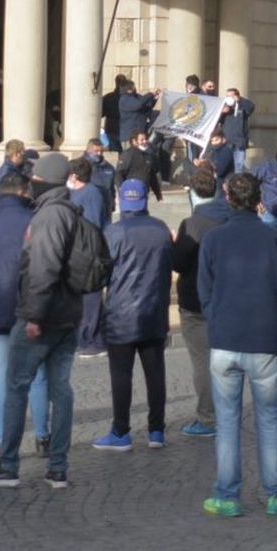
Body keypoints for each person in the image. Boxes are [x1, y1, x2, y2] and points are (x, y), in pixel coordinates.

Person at [0, 144, 90, 491]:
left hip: (45, 316)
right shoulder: (69, 210)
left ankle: (10, 464)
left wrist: (35, 315)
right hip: (68, 313)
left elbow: (44, 268)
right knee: (58, 388)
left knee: (16, 386)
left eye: (37, 176)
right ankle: (56, 466)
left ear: (48, 180)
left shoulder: (50, 216)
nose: (32, 180)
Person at [198, 172, 277, 517]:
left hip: (225, 338)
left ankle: (228, 495)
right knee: (269, 420)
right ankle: (276, 493)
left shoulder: (214, 239)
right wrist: (272, 321)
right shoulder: (273, 238)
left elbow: (204, 291)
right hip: (264, 338)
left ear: (228, 198)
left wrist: (217, 320)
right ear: (258, 200)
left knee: (227, 422)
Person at [0, 173, 50, 457]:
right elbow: (44, 265)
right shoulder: (35, 223)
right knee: (37, 374)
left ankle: (2, 438)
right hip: (30, 309)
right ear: (24, 192)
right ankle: (42, 436)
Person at [94, 180, 174, 451]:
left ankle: (121, 430)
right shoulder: (161, 230)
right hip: (154, 310)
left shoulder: (113, 232)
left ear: (121, 200)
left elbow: (101, 273)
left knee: (121, 375)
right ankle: (156, 430)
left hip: (122, 312)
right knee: (155, 374)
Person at [172, 174, 233, 438]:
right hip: (228, 298)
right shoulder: (232, 219)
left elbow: (178, 263)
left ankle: (208, 417)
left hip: (196, 302)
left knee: (203, 361)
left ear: (194, 193)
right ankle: (228, 412)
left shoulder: (193, 223)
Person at [66, 156, 110, 358]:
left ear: (74, 176)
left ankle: (92, 340)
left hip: (89, 254)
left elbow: (92, 226)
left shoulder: (91, 193)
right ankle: (84, 338)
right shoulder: (78, 192)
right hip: (79, 253)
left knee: (91, 301)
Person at [116, 131, 164, 204]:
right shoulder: (128, 155)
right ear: (134, 141)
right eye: (142, 140)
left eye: (146, 139)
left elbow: (152, 176)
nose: (145, 142)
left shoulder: (149, 156)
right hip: (130, 194)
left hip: (144, 193)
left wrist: (158, 195)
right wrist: (121, 190)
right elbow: (119, 173)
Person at [218, 88, 256, 172]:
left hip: (239, 143)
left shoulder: (242, 107)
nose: (228, 98)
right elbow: (217, 121)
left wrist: (240, 100)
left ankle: (237, 184)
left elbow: (251, 107)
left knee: (239, 167)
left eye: (230, 96)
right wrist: (222, 112)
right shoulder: (225, 108)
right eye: (227, 96)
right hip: (226, 143)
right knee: (225, 166)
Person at [117, 79, 160, 149]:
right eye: (133, 87)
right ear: (129, 89)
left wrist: (154, 98)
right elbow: (138, 105)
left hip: (140, 135)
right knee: (132, 157)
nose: (135, 88)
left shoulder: (136, 97)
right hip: (130, 136)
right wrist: (150, 94)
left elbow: (146, 107)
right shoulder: (125, 99)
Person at [84, 137, 117, 209]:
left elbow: (111, 188)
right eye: (96, 151)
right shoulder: (80, 165)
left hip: (105, 206)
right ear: (89, 150)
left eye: (101, 151)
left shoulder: (109, 168)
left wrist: (112, 202)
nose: (99, 153)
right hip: (87, 206)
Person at [101, 75, 127, 152]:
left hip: (111, 127)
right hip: (124, 129)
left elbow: (101, 113)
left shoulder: (108, 97)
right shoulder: (129, 98)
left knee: (114, 153)